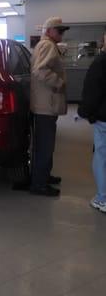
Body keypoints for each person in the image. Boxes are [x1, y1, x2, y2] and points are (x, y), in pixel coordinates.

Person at [30, 17, 70, 196]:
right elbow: (40, 70)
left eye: (62, 30)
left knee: (46, 144)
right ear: (48, 31)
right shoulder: (47, 45)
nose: (62, 33)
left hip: (46, 105)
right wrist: (59, 83)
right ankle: (39, 184)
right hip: (45, 106)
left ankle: (43, 176)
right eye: (58, 30)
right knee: (45, 146)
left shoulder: (47, 44)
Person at [78, 37, 106, 213]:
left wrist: (84, 112)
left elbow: (92, 91)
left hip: (104, 119)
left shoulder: (101, 62)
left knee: (101, 156)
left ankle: (103, 199)